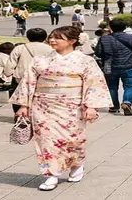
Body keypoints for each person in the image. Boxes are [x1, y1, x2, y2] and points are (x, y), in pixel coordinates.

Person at [13, 26, 112, 192]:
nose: (52, 40)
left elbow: (94, 83)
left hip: (73, 106)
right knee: (46, 140)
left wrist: (92, 106)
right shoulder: (39, 60)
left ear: (72, 41)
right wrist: (24, 104)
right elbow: (28, 82)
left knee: (74, 139)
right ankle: (51, 174)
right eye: (51, 37)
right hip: (43, 105)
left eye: (58, 37)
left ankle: (76, 165)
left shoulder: (85, 61)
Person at [94, 18, 132, 115]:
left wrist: (106, 56)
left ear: (110, 27)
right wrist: (131, 53)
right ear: (125, 27)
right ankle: (127, 102)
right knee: (129, 85)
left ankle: (114, 106)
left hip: (110, 65)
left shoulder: (104, 38)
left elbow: (98, 53)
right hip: (129, 65)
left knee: (112, 86)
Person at [10, 28, 56, 114]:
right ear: (45, 37)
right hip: (42, 77)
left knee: (19, 95)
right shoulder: (50, 49)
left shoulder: (20, 48)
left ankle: (19, 114)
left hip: (21, 76)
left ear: (28, 37)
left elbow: (11, 63)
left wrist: (8, 73)